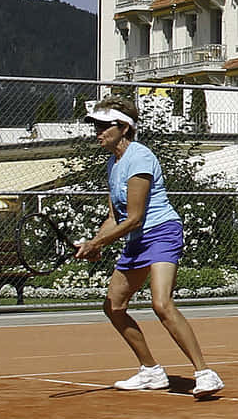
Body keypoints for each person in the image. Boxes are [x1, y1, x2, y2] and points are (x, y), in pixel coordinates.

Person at [74, 96, 224, 399]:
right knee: (113, 306)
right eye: (96, 127)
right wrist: (94, 243)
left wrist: (100, 242)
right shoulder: (113, 164)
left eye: (103, 126)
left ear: (123, 127)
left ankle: (205, 373)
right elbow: (114, 216)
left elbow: (135, 217)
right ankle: (151, 371)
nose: (97, 132)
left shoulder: (139, 157)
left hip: (162, 232)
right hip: (137, 239)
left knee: (161, 303)